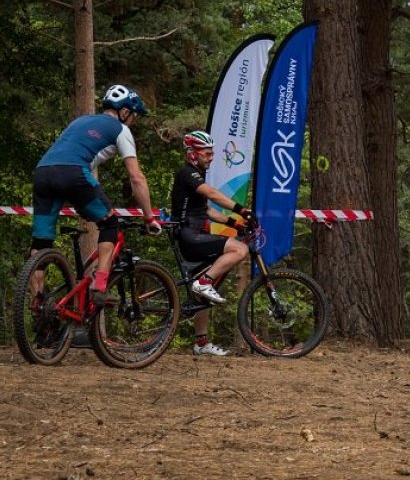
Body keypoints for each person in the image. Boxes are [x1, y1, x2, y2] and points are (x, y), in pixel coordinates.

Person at [31, 84, 162, 305]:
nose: (133, 121)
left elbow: (71, 155)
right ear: (124, 111)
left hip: (43, 172)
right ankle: (100, 285)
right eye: (134, 116)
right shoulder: (121, 130)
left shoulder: (79, 121)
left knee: (41, 241)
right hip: (73, 172)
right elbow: (136, 177)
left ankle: (37, 302)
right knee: (110, 224)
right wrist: (149, 218)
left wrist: (83, 205)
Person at [170, 130, 255, 356]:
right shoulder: (187, 173)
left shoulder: (197, 174)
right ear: (192, 153)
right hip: (189, 236)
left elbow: (206, 210)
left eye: (212, 153)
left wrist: (235, 224)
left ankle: (201, 342)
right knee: (240, 249)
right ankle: (204, 281)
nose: (211, 157)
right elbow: (212, 194)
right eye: (206, 153)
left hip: (194, 233)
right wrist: (242, 210)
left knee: (204, 293)